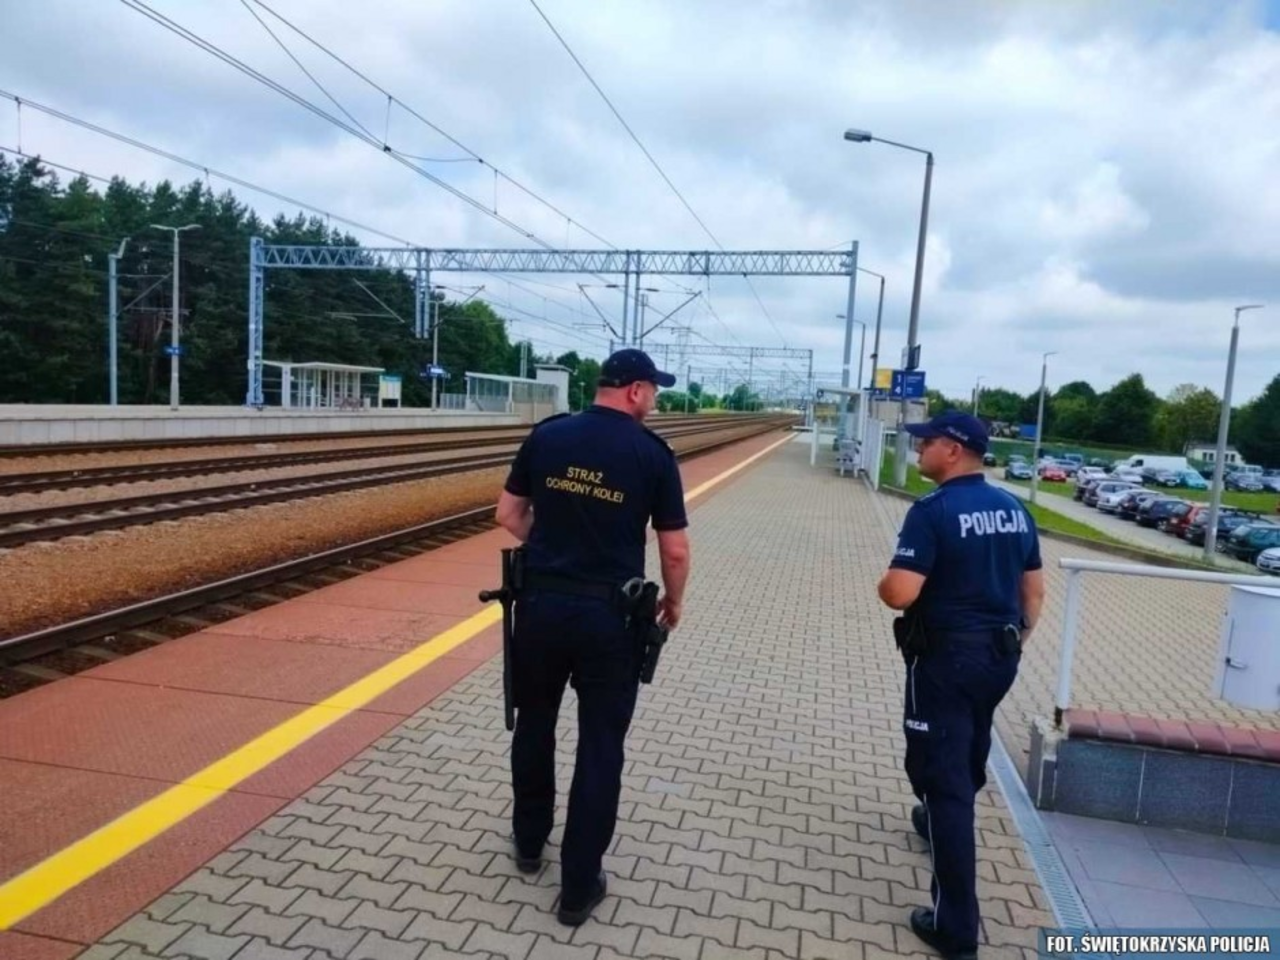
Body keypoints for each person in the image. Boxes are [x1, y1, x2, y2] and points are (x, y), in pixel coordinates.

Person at [494, 348, 691, 926]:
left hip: (540, 608)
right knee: (601, 744)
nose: (655, 400)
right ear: (635, 390)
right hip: (612, 619)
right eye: (654, 391)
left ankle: (529, 843)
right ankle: (578, 887)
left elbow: (508, 514)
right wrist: (674, 602)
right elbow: (675, 550)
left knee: (535, 722)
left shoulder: (548, 436)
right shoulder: (651, 454)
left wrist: (553, 551)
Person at [876, 411, 1046, 960]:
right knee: (968, 746)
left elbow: (900, 593)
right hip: (998, 656)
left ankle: (955, 928)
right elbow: (1033, 594)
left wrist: (884, 581)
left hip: (947, 660)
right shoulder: (1015, 509)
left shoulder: (933, 511)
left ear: (952, 450)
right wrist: (1013, 641)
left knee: (940, 775)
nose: (917, 450)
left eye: (925, 443)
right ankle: (933, 819)